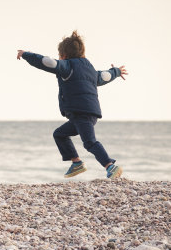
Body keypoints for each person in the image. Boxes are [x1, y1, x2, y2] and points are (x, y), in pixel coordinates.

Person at [16, 31, 128, 179]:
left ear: (64, 55)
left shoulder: (67, 66)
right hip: (83, 113)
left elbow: (47, 62)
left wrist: (26, 54)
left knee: (89, 142)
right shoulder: (90, 70)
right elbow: (104, 76)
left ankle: (110, 166)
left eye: (59, 55)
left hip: (81, 112)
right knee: (60, 134)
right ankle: (77, 163)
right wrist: (117, 71)